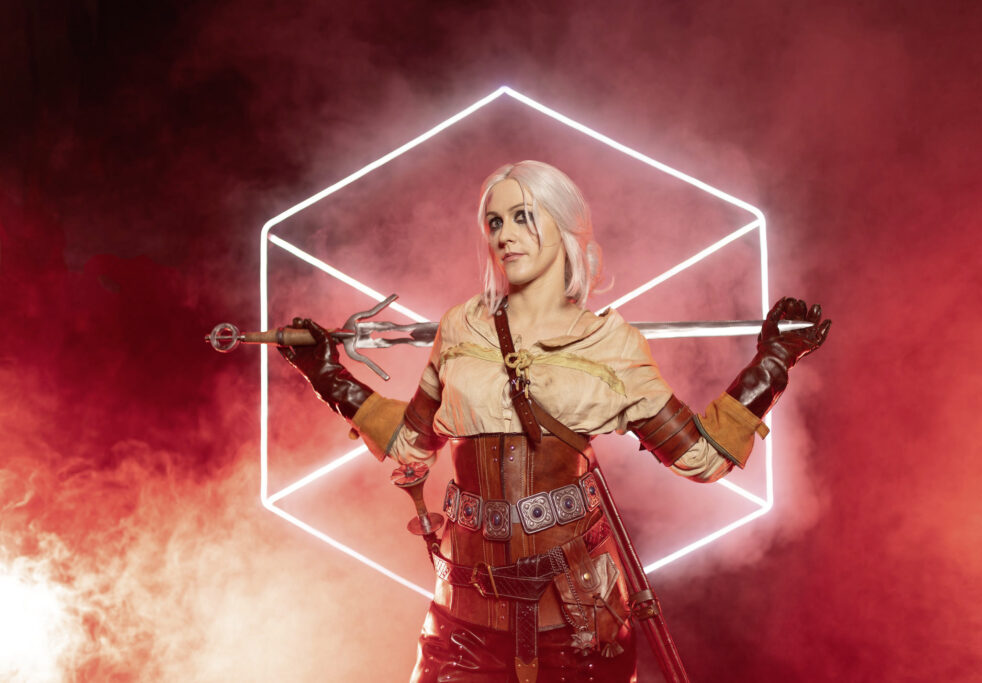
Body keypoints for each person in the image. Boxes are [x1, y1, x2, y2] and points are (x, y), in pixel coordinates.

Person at [277, 160, 830, 682]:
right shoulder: (460, 328)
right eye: (495, 221)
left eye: (524, 216)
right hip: (462, 624)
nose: (505, 235)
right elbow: (410, 444)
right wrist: (327, 374)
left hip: (579, 627)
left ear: (565, 227)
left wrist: (773, 363)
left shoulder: (610, 344)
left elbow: (701, 458)